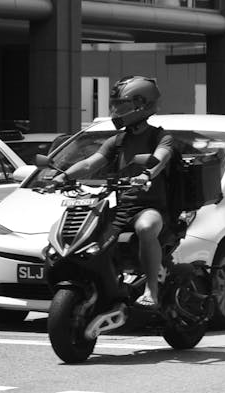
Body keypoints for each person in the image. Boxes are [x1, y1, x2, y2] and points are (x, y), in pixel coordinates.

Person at [52, 76, 173, 309]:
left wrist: (146, 175)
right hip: (122, 208)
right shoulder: (117, 140)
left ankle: (152, 290)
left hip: (149, 207)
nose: (117, 111)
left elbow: (161, 158)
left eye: (123, 106)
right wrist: (63, 176)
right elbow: (90, 163)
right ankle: (100, 287)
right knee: (89, 235)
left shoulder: (160, 137)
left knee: (146, 227)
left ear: (143, 105)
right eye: (116, 105)